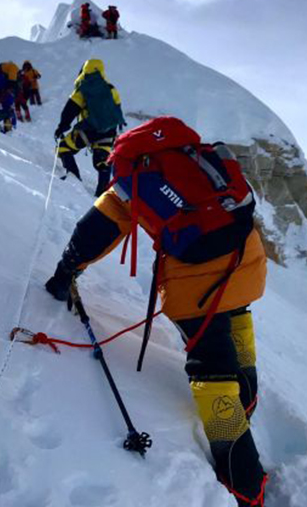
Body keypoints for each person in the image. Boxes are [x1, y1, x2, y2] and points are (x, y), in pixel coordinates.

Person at [45, 116, 268, 507]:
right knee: (235, 313)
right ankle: (248, 399)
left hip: (195, 281)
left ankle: (244, 485)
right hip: (246, 256)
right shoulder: (191, 154)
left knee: (210, 370)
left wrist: (64, 274)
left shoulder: (129, 178)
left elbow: (93, 233)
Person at [54, 59, 126, 197]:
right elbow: (116, 111)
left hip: (88, 130)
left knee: (63, 147)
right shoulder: (112, 89)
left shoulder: (83, 88)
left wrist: (61, 127)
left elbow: (70, 110)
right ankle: (102, 193)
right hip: (109, 132)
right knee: (102, 162)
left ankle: (73, 177)